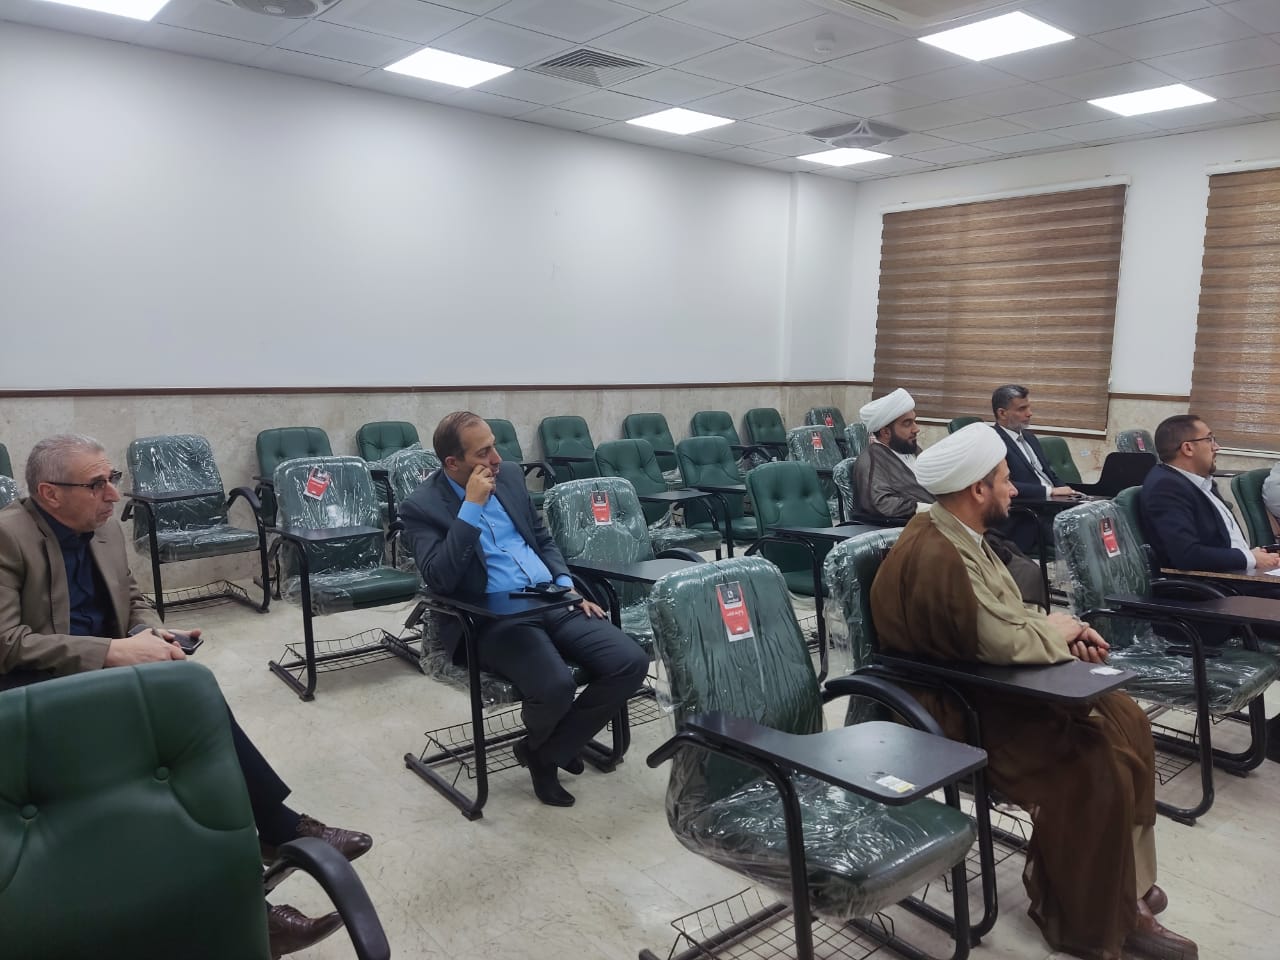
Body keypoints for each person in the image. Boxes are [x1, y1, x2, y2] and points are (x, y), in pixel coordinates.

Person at [0, 434, 372, 957]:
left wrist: (148, 633)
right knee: (150, 775)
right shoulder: (8, 537)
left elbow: (132, 598)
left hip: (107, 673)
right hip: (37, 690)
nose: (113, 495)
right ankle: (259, 884)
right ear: (49, 493)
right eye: (97, 484)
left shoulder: (102, 529)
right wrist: (112, 652)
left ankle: (274, 834)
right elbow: (8, 643)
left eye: (113, 479)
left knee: (193, 699)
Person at [869, 423, 1195, 960]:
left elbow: (1007, 616)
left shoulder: (959, 532)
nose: (1013, 488)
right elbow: (996, 638)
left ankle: (1129, 883)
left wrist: (1063, 630)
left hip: (990, 683)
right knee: (1093, 761)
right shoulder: (936, 551)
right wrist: (1058, 632)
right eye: (1004, 479)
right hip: (955, 705)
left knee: (1126, 717)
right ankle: (1099, 916)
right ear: (977, 489)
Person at [398, 412, 649, 808]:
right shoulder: (422, 506)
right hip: (494, 618)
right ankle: (554, 751)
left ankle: (543, 751)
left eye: (494, 446)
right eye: (483, 452)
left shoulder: (511, 476)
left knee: (629, 661)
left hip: (551, 597)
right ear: (453, 463)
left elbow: (541, 538)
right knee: (555, 686)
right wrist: (471, 508)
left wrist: (566, 585)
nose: (497, 459)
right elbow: (440, 579)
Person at [853, 388, 1046, 607]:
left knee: (1018, 560)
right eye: (907, 424)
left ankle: (1022, 613)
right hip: (929, 535)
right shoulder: (871, 459)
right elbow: (879, 503)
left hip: (950, 527)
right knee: (1019, 572)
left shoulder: (912, 452)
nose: (916, 429)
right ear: (885, 432)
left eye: (914, 421)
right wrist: (929, 509)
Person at [1140, 415, 1279, 577]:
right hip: (1214, 584)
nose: (1217, 447)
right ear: (1188, 448)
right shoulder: (1166, 488)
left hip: (1237, 573)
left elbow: (1225, 541)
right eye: (1209, 440)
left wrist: (1257, 556)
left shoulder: (1199, 481)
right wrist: (1250, 558)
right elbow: (1187, 555)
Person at [991, 384, 1077, 552]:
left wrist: (1072, 494)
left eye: (1029, 407)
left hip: (1053, 508)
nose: (1029, 413)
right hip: (1029, 516)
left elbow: (1049, 475)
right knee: (1084, 539)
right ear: (1002, 413)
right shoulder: (993, 441)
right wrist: (1049, 492)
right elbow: (1002, 485)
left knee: (1097, 520)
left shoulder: (1030, 438)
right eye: (1022, 409)